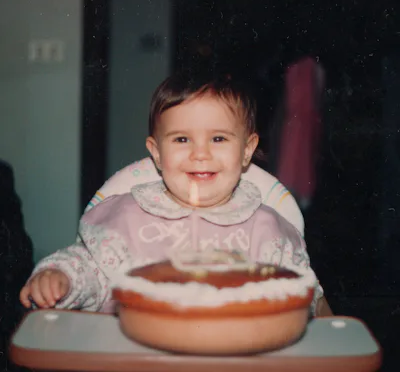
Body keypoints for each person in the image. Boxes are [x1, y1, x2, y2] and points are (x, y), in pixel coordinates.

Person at [20, 71, 332, 316]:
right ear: (156, 153)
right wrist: (59, 278)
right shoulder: (126, 219)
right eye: (182, 140)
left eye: (219, 139)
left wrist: (320, 315)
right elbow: (90, 269)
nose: (200, 154)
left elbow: (304, 294)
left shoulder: (267, 229)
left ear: (247, 149)